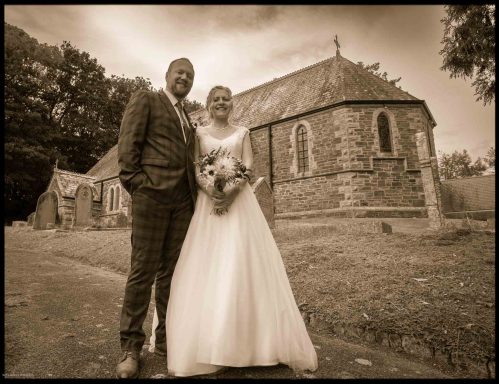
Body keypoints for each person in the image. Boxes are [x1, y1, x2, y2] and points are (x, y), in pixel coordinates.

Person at [149, 85, 318, 377]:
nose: (221, 103)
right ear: (207, 104)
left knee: (244, 264)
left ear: (232, 103)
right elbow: (194, 166)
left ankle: (256, 345)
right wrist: (210, 188)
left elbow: (249, 164)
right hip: (208, 206)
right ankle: (210, 343)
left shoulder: (243, 132)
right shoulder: (199, 133)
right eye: (216, 100)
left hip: (241, 204)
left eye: (225, 99)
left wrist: (233, 188)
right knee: (207, 265)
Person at [116, 58, 198, 379]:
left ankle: (164, 340)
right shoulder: (147, 100)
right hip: (151, 198)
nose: (185, 78)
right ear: (167, 76)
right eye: (180, 72)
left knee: (172, 276)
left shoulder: (188, 118)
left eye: (190, 75)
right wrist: (137, 184)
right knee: (142, 271)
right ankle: (130, 347)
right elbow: (128, 145)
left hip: (183, 205)